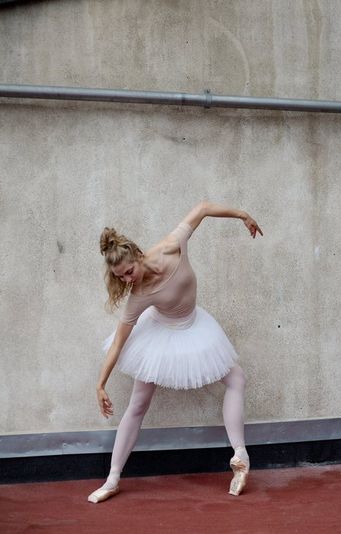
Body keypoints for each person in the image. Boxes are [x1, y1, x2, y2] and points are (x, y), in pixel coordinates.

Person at [88, 201, 263, 503]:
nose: (127, 280)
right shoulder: (138, 297)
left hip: (194, 326)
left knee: (237, 379)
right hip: (158, 335)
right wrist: (100, 384)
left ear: (138, 256)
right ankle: (113, 477)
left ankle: (240, 458)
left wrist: (243, 215)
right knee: (139, 404)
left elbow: (204, 208)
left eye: (129, 271)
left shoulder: (172, 246)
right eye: (121, 278)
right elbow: (118, 342)